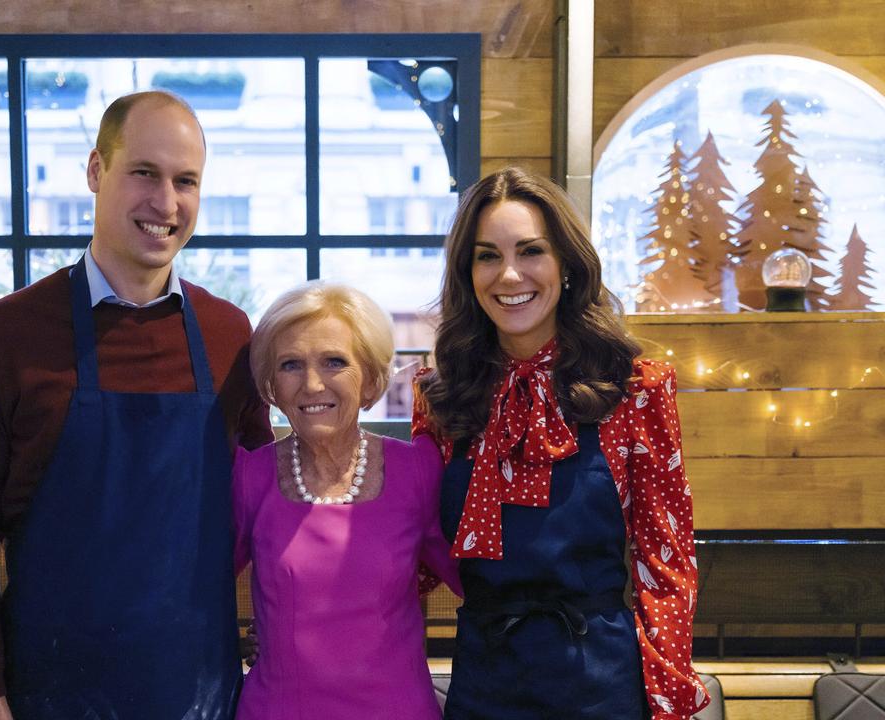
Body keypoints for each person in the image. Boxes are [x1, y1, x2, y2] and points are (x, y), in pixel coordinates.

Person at [0, 91, 273, 720]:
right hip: (46, 698)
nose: (165, 203)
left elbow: (270, 511)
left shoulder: (231, 336)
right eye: (144, 172)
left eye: (185, 181)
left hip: (199, 696)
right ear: (95, 171)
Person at [412, 167, 709, 719]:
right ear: (466, 273)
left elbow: (664, 559)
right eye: (486, 256)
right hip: (484, 678)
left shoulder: (635, 389)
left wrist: (669, 698)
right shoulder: (439, 394)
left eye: (531, 251)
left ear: (567, 265)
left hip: (600, 680)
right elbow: (419, 552)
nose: (509, 274)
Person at [232, 282, 461, 720]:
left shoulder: (418, 470)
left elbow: (483, 585)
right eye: (290, 365)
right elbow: (195, 597)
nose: (312, 384)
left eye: (334, 362)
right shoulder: (248, 475)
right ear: (271, 387)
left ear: (372, 380)